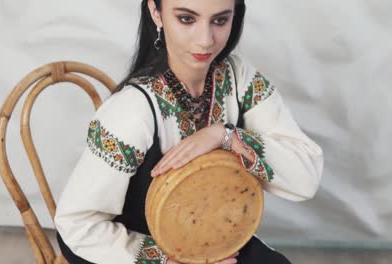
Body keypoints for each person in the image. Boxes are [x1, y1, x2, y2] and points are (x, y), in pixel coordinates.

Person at [54, 0, 324, 263]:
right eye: (186, 19)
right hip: (135, 250)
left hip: (215, 241)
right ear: (156, 12)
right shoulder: (132, 111)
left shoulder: (238, 77)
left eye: (220, 20)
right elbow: (76, 226)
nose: (205, 40)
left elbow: (306, 175)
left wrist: (225, 136)